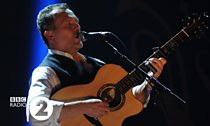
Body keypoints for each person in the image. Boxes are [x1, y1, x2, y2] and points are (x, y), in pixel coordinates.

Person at [26, 3, 167, 126]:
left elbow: (131, 100)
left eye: (76, 22)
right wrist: (83, 107)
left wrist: (147, 83)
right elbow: (35, 112)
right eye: (69, 24)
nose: (77, 27)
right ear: (50, 35)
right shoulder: (46, 72)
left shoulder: (98, 65)